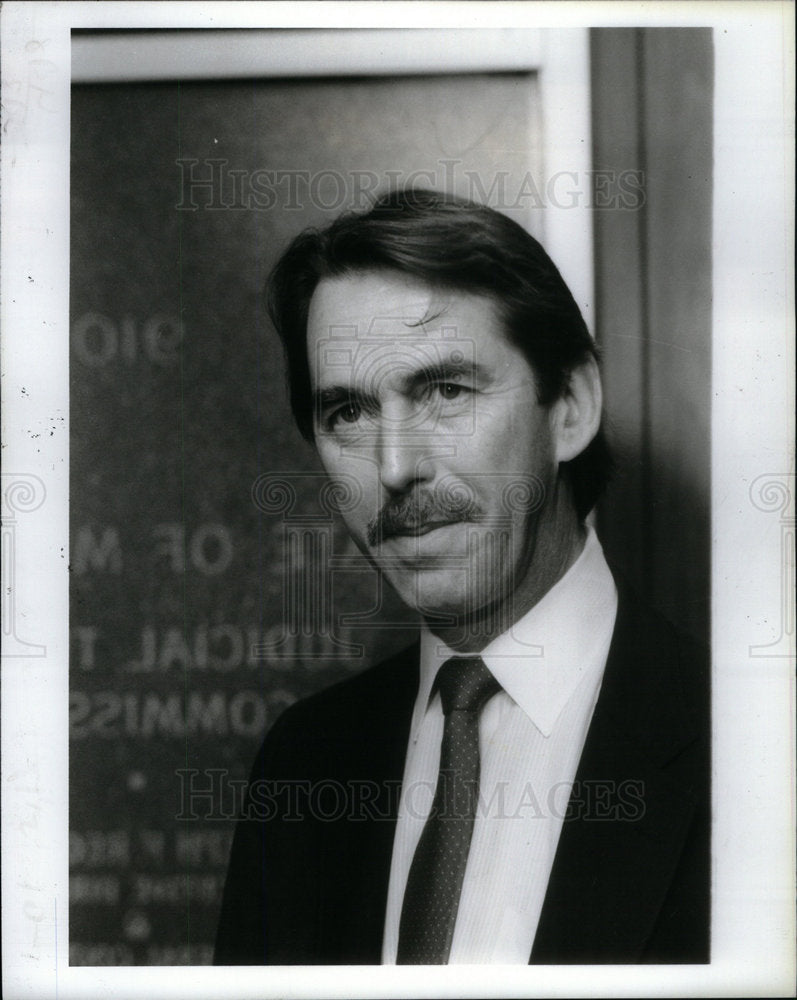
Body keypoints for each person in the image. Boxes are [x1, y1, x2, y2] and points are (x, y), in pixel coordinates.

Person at [214, 189, 709, 965]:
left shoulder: (749, 746)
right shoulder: (305, 764)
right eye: (348, 412)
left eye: (444, 392)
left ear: (570, 408)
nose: (396, 466)